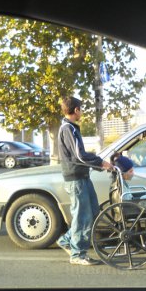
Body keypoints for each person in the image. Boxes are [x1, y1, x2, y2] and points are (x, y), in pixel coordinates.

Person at [56, 96, 113, 266]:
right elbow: (79, 155)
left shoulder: (72, 128)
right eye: (81, 109)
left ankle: (67, 240)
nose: (82, 112)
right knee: (82, 216)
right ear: (76, 110)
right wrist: (100, 162)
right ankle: (78, 254)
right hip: (76, 179)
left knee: (93, 212)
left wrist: (98, 164)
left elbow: (79, 155)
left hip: (82, 176)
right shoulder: (68, 129)